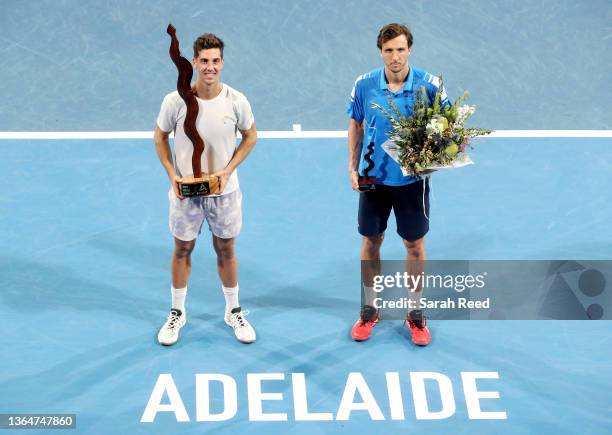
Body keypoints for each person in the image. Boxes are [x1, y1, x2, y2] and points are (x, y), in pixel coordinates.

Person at [347, 23, 450, 346]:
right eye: (389, 50)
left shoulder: (430, 85)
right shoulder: (364, 85)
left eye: (400, 49)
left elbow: (448, 129)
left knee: (414, 245)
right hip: (373, 178)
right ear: (381, 51)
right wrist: (351, 167)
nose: (395, 57)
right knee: (371, 241)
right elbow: (356, 123)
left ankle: (415, 313)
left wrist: (436, 156)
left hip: (411, 182)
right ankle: (369, 309)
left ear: (410, 50)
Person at [154, 32, 257, 345]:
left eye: (215, 61)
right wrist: (172, 174)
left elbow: (251, 136)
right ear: (194, 63)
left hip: (224, 192)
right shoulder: (175, 101)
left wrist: (227, 171)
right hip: (185, 193)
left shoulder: (236, 100)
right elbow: (159, 137)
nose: (210, 67)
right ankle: (176, 313)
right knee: (183, 248)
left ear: (222, 63)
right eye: (204, 61)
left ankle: (233, 310)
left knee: (226, 249)